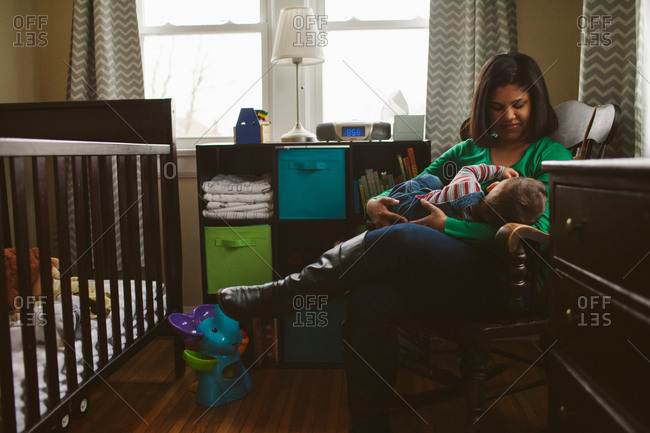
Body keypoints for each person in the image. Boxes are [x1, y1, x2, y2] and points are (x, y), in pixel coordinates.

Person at [217, 52, 573, 433]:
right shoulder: (469, 152)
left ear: (535, 102)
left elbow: (541, 235)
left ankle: (283, 295)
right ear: (483, 107)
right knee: (370, 297)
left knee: (402, 237)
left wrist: (448, 227)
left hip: (499, 286)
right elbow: (414, 186)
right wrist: (374, 202)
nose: (509, 116)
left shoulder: (550, 156)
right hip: (442, 276)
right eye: (497, 107)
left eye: (518, 105)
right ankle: (368, 424)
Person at [378, 164, 547, 226]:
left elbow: (469, 169)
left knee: (432, 180)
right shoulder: (474, 225)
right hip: (410, 220)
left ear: (492, 186)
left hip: (406, 201)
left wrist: (500, 170)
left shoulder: (468, 186)